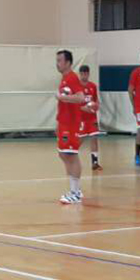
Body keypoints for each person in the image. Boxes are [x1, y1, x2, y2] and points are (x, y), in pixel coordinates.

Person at [55, 49, 87, 204]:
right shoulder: (64, 79)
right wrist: (58, 122)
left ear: (68, 62)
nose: (57, 63)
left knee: (71, 155)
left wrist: (63, 97)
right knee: (63, 154)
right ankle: (76, 190)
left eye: (60, 60)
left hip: (71, 124)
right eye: (57, 60)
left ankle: (75, 192)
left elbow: (80, 98)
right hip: (64, 122)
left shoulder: (72, 78)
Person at [78, 65, 103, 172]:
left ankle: (95, 162)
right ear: (80, 74)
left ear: (88, 74)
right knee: (80, 140)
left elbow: (96, 100)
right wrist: (83, 108)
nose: (84, 75)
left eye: (86, 73)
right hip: (81, 118)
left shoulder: (93, 86)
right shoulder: (76, 87)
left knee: (94, 138)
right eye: (82, 73)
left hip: (92, 118)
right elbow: (74, 104)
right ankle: (70, 155)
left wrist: (96, 106)